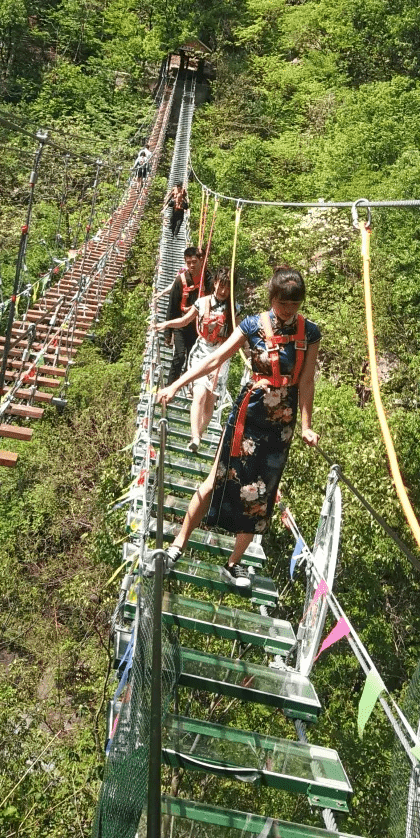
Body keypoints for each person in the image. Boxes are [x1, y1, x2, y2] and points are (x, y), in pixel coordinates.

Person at [156, 266, 321, 592]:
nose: (289, 310)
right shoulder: (252, 326)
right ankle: (177, 545)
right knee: (216, 477)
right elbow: (216, 358)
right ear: (273, 298)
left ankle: (232, 563)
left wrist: (306, 426)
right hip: (249, 414)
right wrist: (177, 384)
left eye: (295, 304)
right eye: (284, 303)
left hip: (281, 425)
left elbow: (306, 381)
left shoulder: (309, 333)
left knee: (261, 494)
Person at [153, 268, 233, 452]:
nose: (223, 291)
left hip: (221, 356)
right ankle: (195, 436)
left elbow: (238, 334)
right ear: (215, 283)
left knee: (210, 400)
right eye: (221, 286)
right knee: (199, 394)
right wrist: (166, 324)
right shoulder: (202, 302)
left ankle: (200, 432)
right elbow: (184, 321)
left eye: (227, 288)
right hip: (202, 351)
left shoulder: (233, 309)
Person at [156, 246, 211, 382]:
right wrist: (168, 333)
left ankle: (187, 385)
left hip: (198, 326)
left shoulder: (208, 280)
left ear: (200, 260)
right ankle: (170, 385)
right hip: (181, 323)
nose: (191, 265)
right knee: (179, 355)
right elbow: (172, 306)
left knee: (192, 358)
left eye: (194, 261)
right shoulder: (180, 280)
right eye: (188, 262)